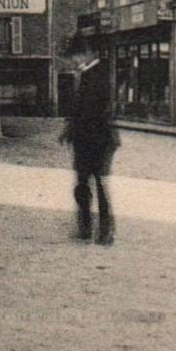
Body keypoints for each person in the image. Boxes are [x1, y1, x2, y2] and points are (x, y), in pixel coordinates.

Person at [60, 43, 118, 245]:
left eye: (75, 57)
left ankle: (105, 230)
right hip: (85, 139)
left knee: (99, 184)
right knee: (82, 185)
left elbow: (95, 110)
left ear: (87, 53)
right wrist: (70, 130)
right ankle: (85, 227)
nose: (74, 62)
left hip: (98, 139)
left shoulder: (99, 74)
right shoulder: (85, 74)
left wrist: (76, 128)